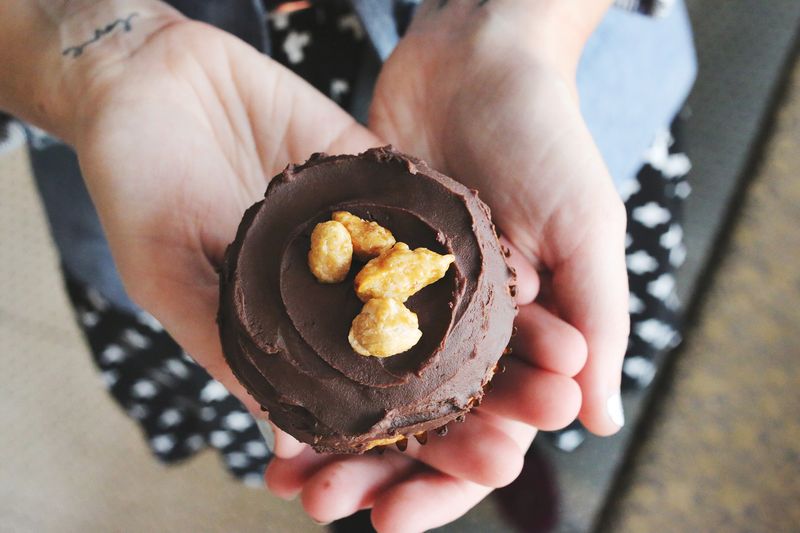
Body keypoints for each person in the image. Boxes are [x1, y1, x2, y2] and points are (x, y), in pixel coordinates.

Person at [0, 0, 695, 530]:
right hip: (171, 190)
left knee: (519, 389)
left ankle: (497, 457)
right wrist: (95, 49)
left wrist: (520, 29)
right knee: (300, 435)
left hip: (549, 85)